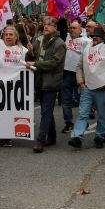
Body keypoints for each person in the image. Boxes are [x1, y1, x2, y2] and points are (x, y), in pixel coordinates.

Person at [68, 25, 105, 149]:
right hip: (88, 88)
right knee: (83, 113)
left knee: (102, 115)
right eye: (94, 36)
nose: (95, 38)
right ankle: (78, 137)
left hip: (103, 88)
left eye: (98, 36)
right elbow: (79, 66)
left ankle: (99, 137)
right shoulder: (86, 49)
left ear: (103, 38)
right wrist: (81, 82)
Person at [0, 21, 29, 147]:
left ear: (16, 37)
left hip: (14, 87)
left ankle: (7, 136)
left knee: (10, 112)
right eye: (6, 34)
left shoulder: (23, 51)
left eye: (10, 34)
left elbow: (29, 67)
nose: (8, 36)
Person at [26, 17, 66, 153]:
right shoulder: (38, 40)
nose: (46, 27)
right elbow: (33, 58)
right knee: (46, 109)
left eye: (49, 25)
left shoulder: (60, 44)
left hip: (51, 81)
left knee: (46, 111)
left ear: (55, 28)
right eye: (45, 24)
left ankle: (40, 140)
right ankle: (52, 136)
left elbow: (54, 63)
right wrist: (30, 52)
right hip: (39, 80)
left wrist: (36, 63)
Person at [61, 20, 89, 134]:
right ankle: (68, 122)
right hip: (67, 73)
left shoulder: (86, 41)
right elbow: (61, 26)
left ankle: (83, 121)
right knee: (66, 100)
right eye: (71, 28)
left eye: (74, 28)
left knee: (83, 99)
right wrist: (65, 18)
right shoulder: (67, 38)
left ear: (80, 29)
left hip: (81, 74)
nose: (72, 30)